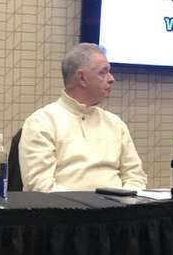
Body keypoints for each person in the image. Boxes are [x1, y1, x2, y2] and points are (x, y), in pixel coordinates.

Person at [19, 43, 147, 192]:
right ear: (82, 78)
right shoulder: (42, 122)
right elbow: (40, 187)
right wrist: (90, 207)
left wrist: (126, 202)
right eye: (103, 72)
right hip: (66, 212)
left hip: (119, 211)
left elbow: (136, 177)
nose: (111, 79)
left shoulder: (115, 123)